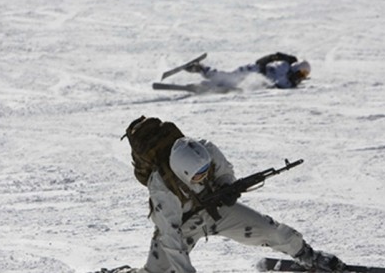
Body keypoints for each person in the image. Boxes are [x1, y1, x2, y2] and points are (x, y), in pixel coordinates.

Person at [115, 117, 345, 273]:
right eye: (197, 176)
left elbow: (225, 173)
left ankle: (307, 255)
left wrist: (228, 189)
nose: (204, 177)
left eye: (206, 170)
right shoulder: (161, 187)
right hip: (183, 225)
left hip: (217, 209)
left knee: (268, 228)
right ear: (182, 173)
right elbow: (169, 236)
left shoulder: (206, 150)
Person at [185, 52, 311, 89]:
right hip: (251, 71)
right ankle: (199, 68)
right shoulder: (285, 67)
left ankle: (208, 86)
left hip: (251, 78)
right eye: (301, 72)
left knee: (228, 84)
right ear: (296, 68)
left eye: (304, 75)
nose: (301, 76)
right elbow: (264, 61)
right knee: (226, 77)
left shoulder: (291, 83)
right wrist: (262, 69)